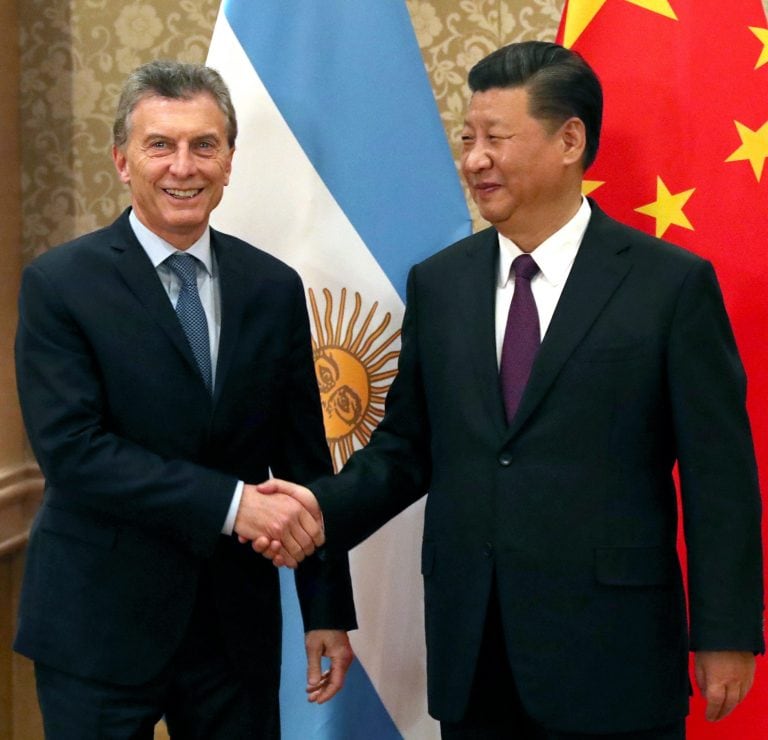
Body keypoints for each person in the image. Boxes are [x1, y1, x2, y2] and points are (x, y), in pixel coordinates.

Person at [256, 42, 764, 739]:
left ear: (570, 141)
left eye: (496, 138)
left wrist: (726, 629)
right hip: (475, 649)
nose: (474, 160)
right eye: (468, 138)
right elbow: (406, 449)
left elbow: (720, 477)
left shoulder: (668, 285)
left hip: (612, 653)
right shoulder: (439, 284)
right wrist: (318, 508)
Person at [14, 60, 355, 739]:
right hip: (98, 627)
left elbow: (304, 457)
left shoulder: (272, 287)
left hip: (233, 633)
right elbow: (74, 454)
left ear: (230, 162)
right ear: (121, 160)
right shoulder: (60, 284)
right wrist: (233, 506)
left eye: (204, 145)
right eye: (160, 145)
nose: (183, 166)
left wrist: (325, 607)